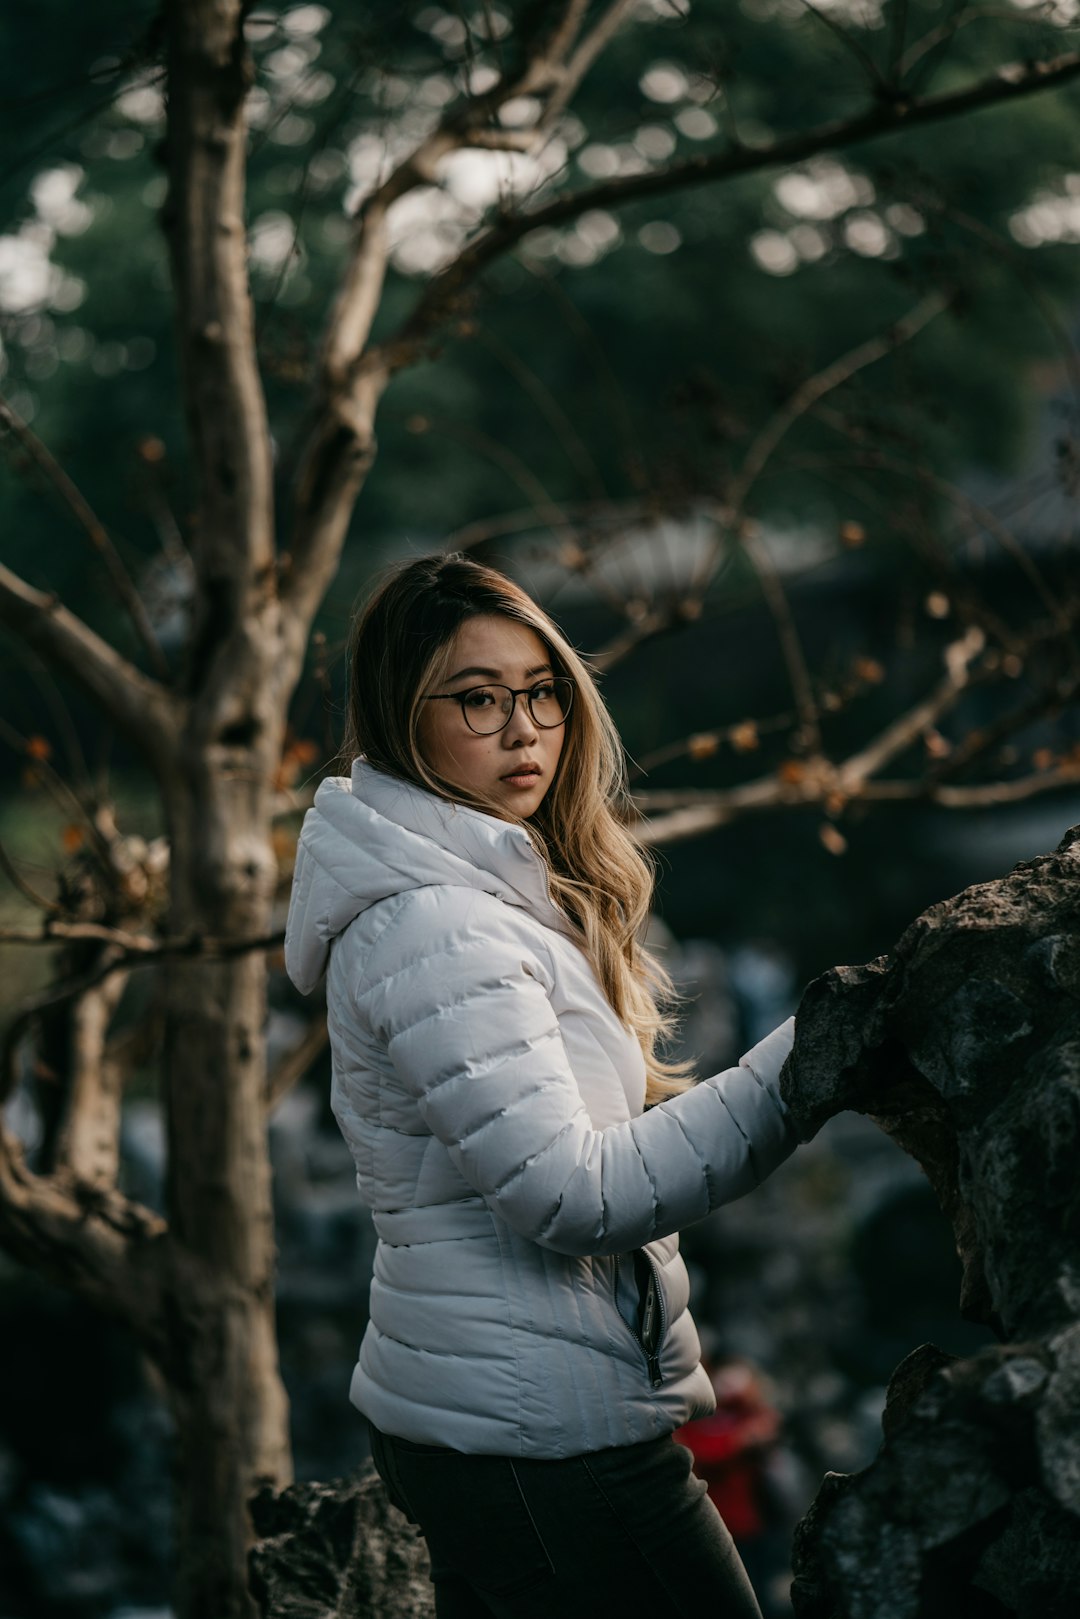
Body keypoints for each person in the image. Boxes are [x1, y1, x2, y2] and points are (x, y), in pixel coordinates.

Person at [285, 554, 801, 1618]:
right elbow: (569, 1192)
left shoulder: (481, 890)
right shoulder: (436, 922)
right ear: (401, 717)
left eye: (542, 690)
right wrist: (803, 1072)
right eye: (479, 698)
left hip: (496, 1422)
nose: (525, 727)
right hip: (548, 1444)